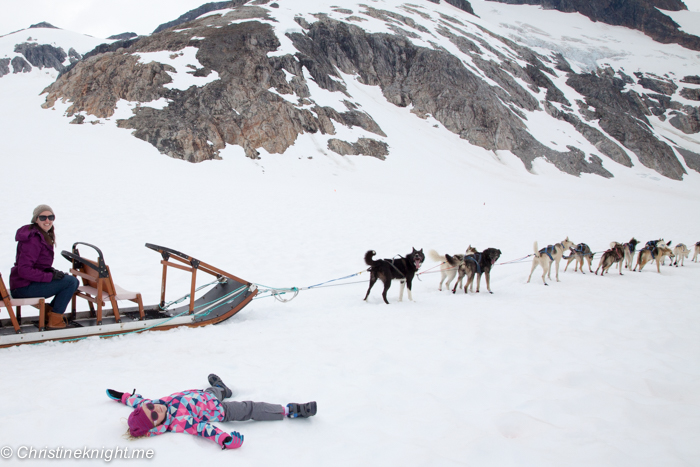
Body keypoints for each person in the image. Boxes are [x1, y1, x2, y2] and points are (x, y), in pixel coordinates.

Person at [107, 374, 317, 450]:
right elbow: (204, 429)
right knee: (250, 408)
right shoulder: (179, 422)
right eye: (154, 415)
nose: (156, 408)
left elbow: (139, 401)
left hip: (205, 395)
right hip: (220, 410)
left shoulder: (153, 404)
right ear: (157, 425)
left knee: (214, 390)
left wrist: (122, 396)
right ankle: (290, 410)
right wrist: (225, 439)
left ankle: (223, 389)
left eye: (150, 408)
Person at [9, 204, 79, 330]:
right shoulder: (33, 239)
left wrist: (50, 271)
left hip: (22, 284)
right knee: (71, 282)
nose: (47, 221)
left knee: (67, 280)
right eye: (43, 217)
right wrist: (49, 276)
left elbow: (35, 264)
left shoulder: (39, 235)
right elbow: (24, 269)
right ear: (36, 219)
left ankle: (49, 314)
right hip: (23, 287)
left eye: (51, 217)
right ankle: (55, 321)